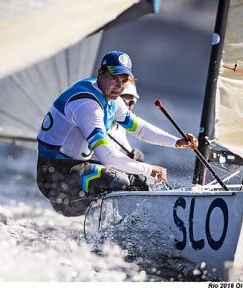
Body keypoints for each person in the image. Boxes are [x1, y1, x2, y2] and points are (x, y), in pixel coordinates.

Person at [37, 51, 198, 216]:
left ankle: (136, 228)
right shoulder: (87, 105)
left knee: (140, 181)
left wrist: (176, 142)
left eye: (123, 81)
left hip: (77, 171)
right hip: (56, 178)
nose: (119, 87)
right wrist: (150, 169)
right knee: (119, 179)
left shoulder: (111, 99)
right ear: (101, 73)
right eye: (114, 78)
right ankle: (108, 227)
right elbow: (108, 157)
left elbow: (139, 128)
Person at [107, 77, 144, 162]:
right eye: (123, 101)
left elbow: (126, 150)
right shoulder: (99, 118)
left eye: (131, 102)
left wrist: (135, 154)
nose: (127, 107)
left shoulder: (121, 126)